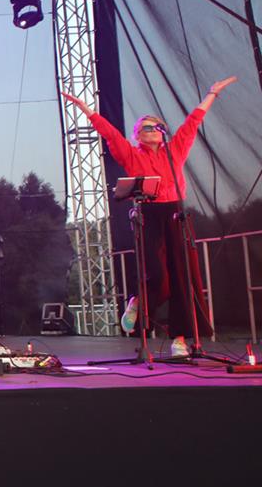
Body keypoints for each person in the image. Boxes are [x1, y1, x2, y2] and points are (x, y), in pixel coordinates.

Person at [61, 77, 235, 356]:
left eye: (156, 126)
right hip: (148, 214)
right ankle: (138, 302)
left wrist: (212, 94)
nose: (152, 130)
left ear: (162, 132)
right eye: (145, 127)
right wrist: (86, 109)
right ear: (138, 135)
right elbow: (110, 134)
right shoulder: (131, 155)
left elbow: (193, 122)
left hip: (175, 213)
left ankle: (180, 339)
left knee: (182, 278)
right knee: (157, 274)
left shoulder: (174, 150)